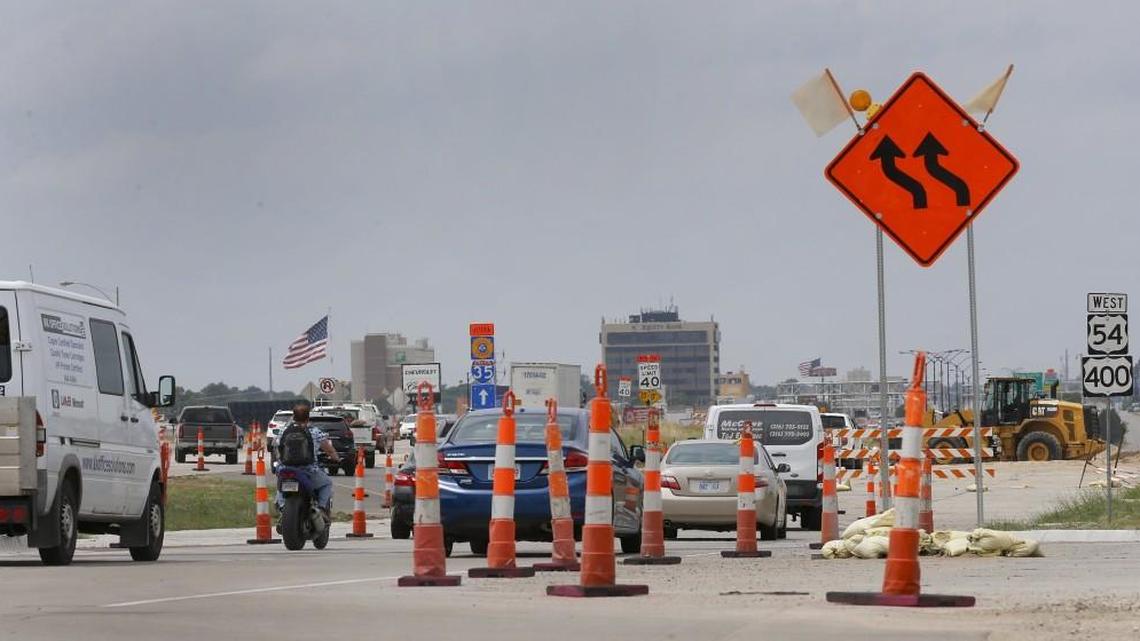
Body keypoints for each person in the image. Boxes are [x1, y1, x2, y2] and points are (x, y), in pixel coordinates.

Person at [275, 404, 339, 518]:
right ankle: (321, 509)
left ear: (293, 417)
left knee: (281, 485)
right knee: (327, 483)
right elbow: (329, 450)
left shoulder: (283, 431)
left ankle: (281, 507)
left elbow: (277, 448)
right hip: (308, 470)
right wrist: (336, 458)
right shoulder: (315, 432)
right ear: (308, 417)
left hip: (286, 469)